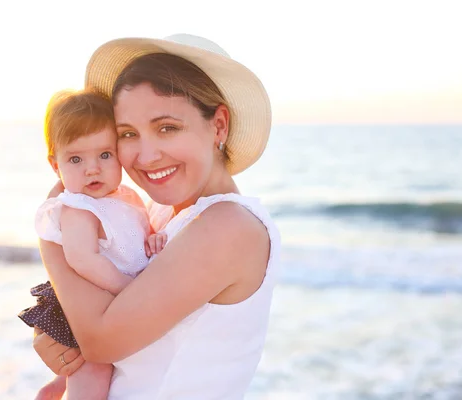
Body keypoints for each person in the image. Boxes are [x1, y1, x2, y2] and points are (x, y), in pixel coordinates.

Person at [33, 34, 280, 399]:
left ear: (219, 126)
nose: (146, 156)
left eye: (167, 128)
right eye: (128, 134)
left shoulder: (228, 226)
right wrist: (56, 331)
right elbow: (105, 318)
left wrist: (52, 231)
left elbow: (101, 340)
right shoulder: (160, 215)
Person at [18, 90, 167, 399]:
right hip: (84, 305)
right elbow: (82, 259)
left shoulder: (124, 196)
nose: (92, 169)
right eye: (75, 158)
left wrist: (152, 238)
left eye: (104, 154)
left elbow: (135, 233)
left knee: (97, 368)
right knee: (95, 369)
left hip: (109, 302)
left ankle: (57, 388)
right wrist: (129, 290)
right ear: (54, 165)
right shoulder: (78, 208)